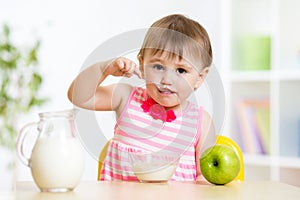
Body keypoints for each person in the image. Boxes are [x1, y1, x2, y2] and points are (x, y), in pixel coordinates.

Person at [68, 14, 216, 182]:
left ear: (199, 78)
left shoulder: (201, 122)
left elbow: (206, 176)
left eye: (181, 70)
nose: (167, 80)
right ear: (142, 64)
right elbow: (78, 96)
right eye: (158, 66)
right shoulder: (125, 97)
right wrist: (104, 69)